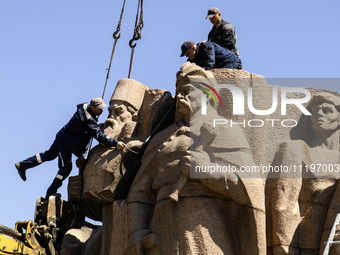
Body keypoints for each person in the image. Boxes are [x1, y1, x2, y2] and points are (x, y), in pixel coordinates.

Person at [125, 62, 265, 255]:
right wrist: (136, 231)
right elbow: (139, 194)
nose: (181, 96)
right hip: (159, 234)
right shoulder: (161, 138)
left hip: (203, 230)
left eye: (188, 90)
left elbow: (250, 186)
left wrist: (206, 171)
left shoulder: (225, 129)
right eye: (179, 92)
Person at [267, 93, 340, 254]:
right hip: (303, 241)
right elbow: (284, 203)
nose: (319, 114)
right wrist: (284, 248)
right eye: (314, 112)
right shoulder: (295, 149)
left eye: (327, 110)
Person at [15, 97, 125, 198]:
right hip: (66, 142)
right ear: (92, 107)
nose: (102, 111)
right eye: (99, 109)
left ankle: (23, 165)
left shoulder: (84, 108)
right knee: (66, 168)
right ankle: (50, 192)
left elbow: (90, 126)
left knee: (49, 155)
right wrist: (115, 143)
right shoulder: (88, 120)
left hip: (63, 135)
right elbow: (99, 136)